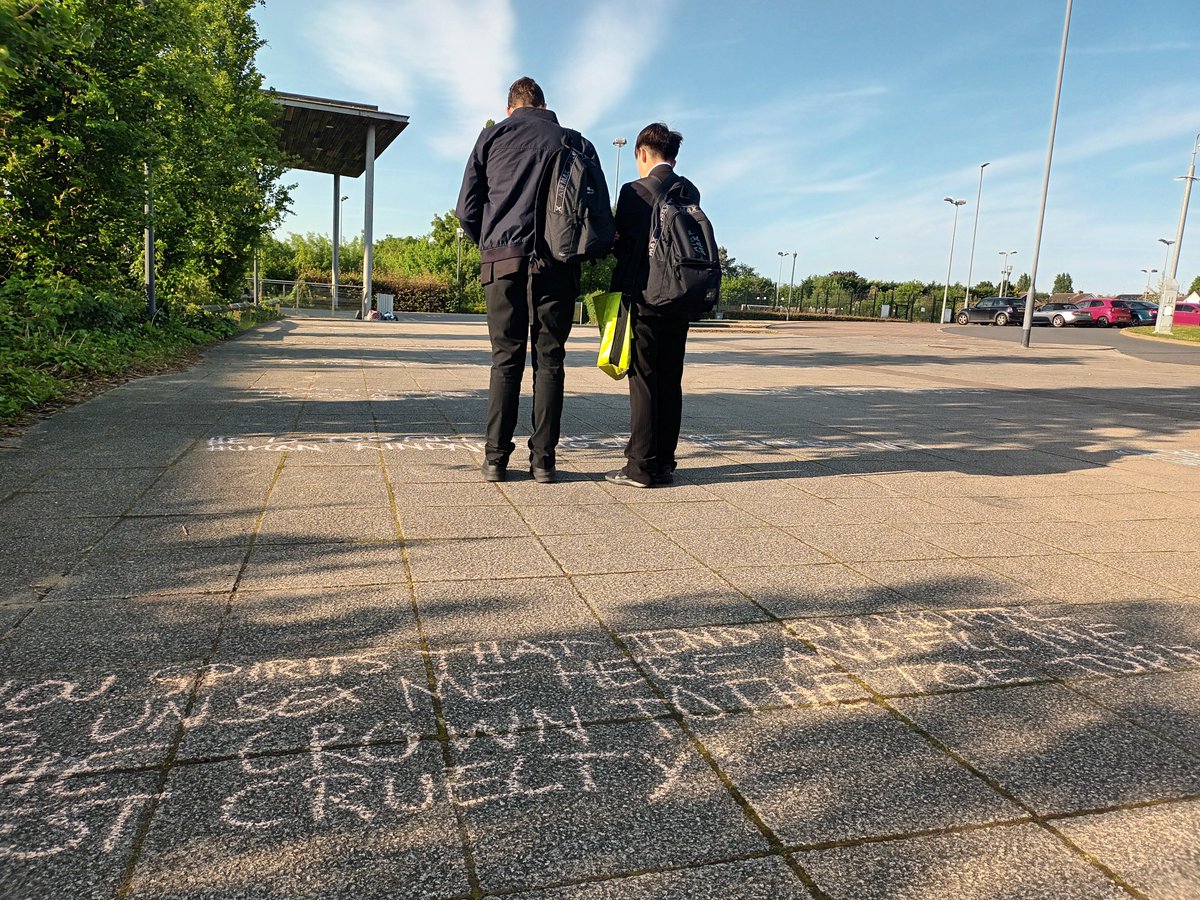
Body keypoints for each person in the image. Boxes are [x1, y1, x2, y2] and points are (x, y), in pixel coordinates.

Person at [456, 76, 596, 484]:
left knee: (506, 358)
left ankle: (495, 459)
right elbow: (593, 208)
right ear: (544, 105)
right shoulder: (574, 142)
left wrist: (491, 241)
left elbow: (467, 207)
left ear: (509, 108)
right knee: (550, 360)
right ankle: (543, 461)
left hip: (502, 264)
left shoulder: (490, 138)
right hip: (557, 264)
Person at [605, 123, 698, 488]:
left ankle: (640, 466)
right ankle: (664, 462)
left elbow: (626, 245)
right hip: (680, 296)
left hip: (644, 297)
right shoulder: (689, 190)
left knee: (643, 379)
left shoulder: (635, 191)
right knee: (669, 379)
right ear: (673, 155)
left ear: (642, 152)